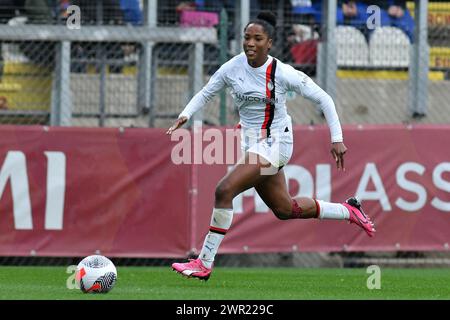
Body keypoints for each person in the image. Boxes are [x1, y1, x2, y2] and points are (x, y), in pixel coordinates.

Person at [166, 11, 376, 281]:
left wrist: (337, 138)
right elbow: (207, 92)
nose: (250, 43)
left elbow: (324, 98)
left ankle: (204, 262)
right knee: (285, 209)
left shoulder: (282, 72)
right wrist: (185, 114)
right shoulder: (232, 67)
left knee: (224, 190)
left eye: (257, 38)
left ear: (270, 43)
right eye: (246, 38)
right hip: (253, 145)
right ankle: (348, 210)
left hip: (277, 143)